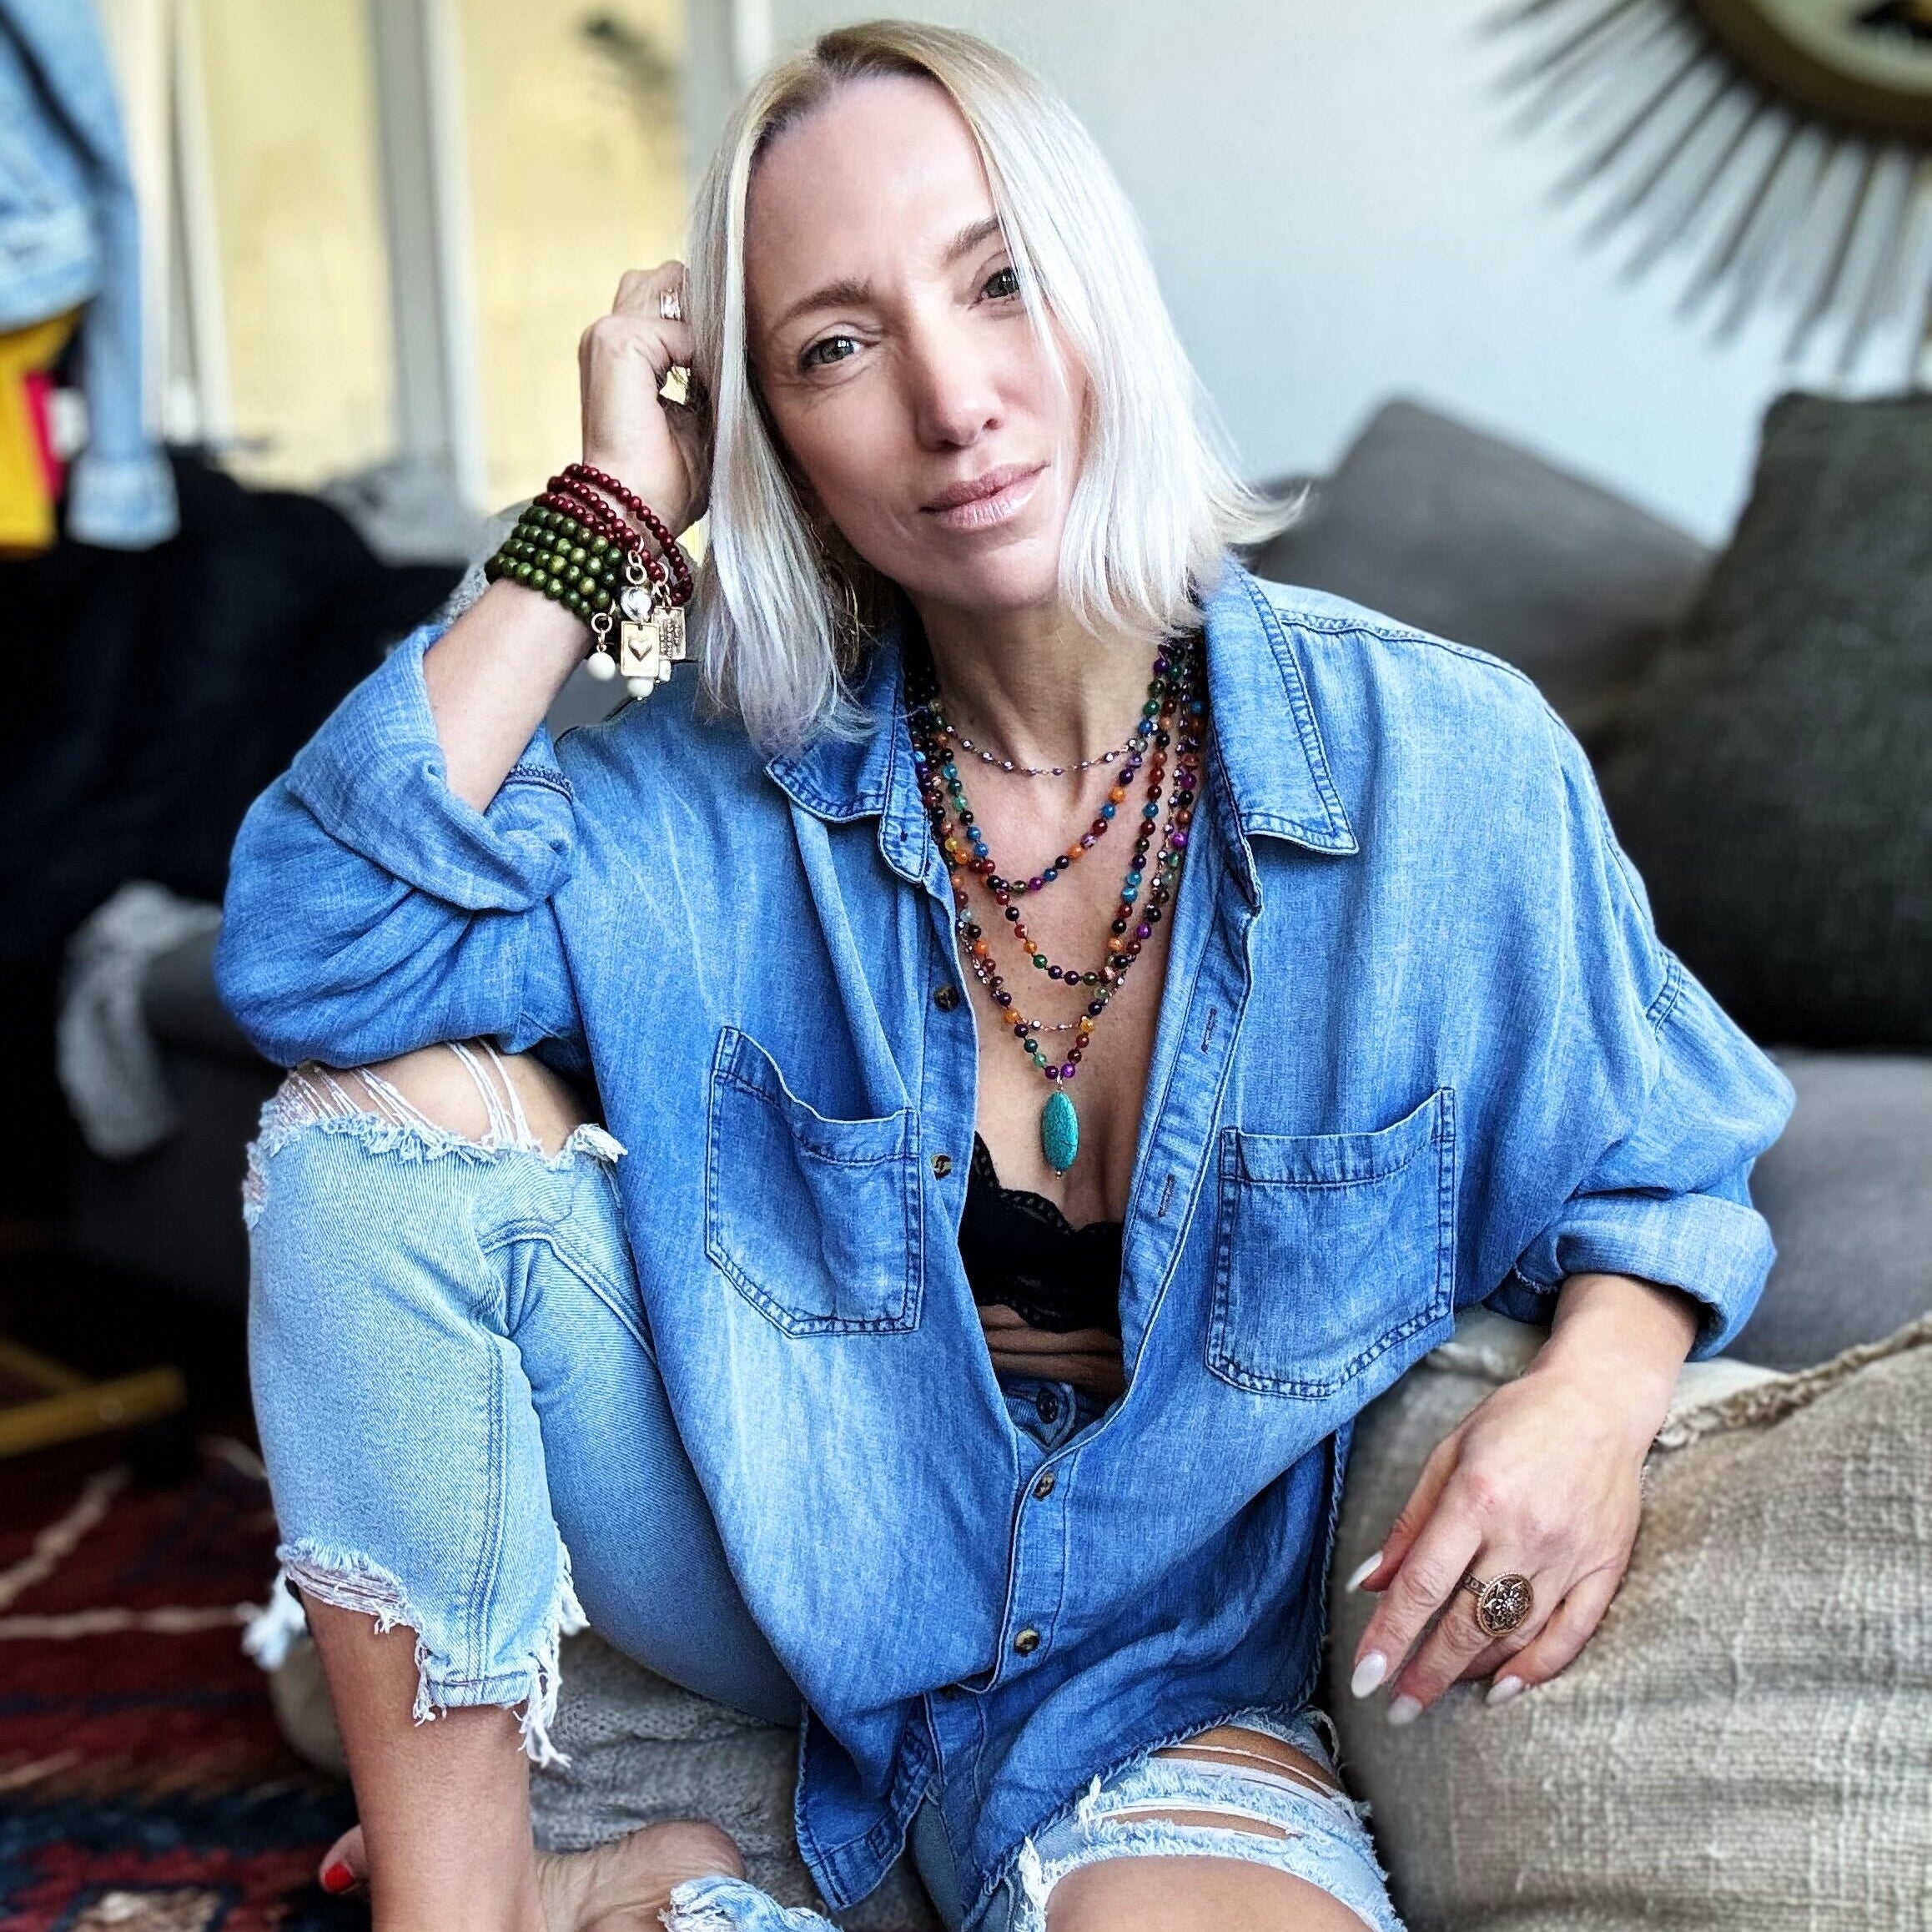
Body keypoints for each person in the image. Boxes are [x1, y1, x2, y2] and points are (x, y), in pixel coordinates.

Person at [216, 21, 1795, 1932]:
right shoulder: (711, 802)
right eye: (835, 347)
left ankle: (659, 1893)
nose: (954, 402)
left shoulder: (1441, 770)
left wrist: (1602, 1389)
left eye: (999, 282)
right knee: (375, 1136)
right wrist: (609, 506)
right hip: (777, 1579)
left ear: (1102, 291)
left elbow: (1666, 1160)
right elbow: (310, 946)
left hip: (1165, 1683)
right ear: (773, 441)